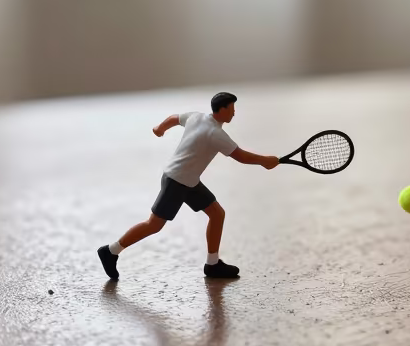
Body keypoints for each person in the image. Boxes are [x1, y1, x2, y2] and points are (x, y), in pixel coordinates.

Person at [97, 92, 278, 281]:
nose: (234, 113)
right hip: (177, 181)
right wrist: (265, 161)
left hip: (187, 180)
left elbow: (175, 119)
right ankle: (111, 251)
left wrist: (160, 128)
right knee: (154, 225)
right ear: (223, 109)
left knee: (217, 214)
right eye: (232, 109)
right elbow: (241, 156)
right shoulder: (216, 134)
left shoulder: (196, 116)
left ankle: (213, 264)